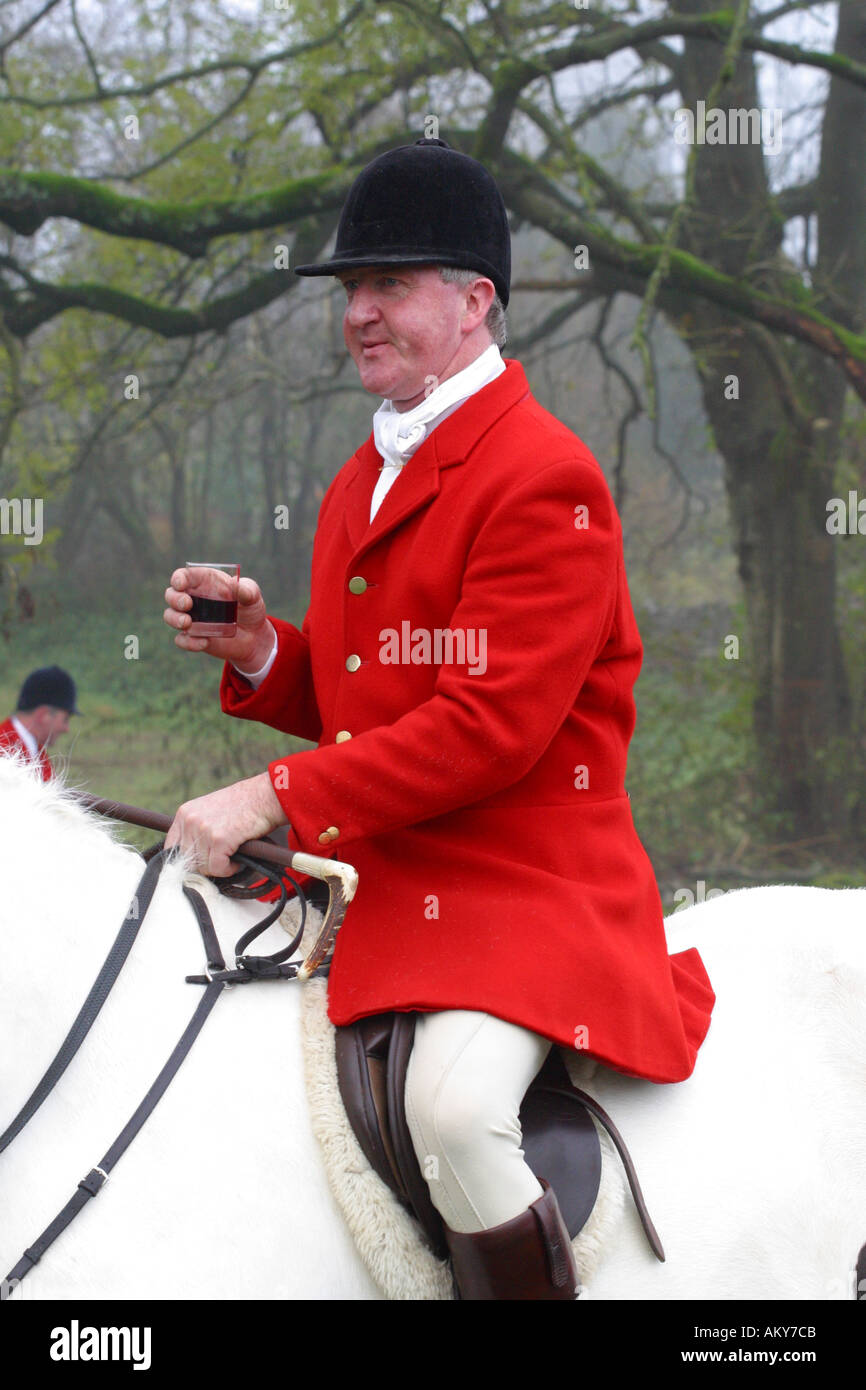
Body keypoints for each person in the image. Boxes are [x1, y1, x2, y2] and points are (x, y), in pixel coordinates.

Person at [163, 137, 715, 1300]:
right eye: (352, 291)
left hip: (525, 881)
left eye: (389, 286)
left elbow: (484, 727)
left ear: (474, 303)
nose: (358, 313)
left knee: (456, 1114)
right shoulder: (364, 474)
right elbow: (376, 708)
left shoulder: (542, 477)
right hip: (382, 869)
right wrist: (263, 650)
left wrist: (270, 794)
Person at [0, 665, 78, 781]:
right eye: (65, 719)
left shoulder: (35, 749)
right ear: (44, 715)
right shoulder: (4, 752)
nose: (66, 728)